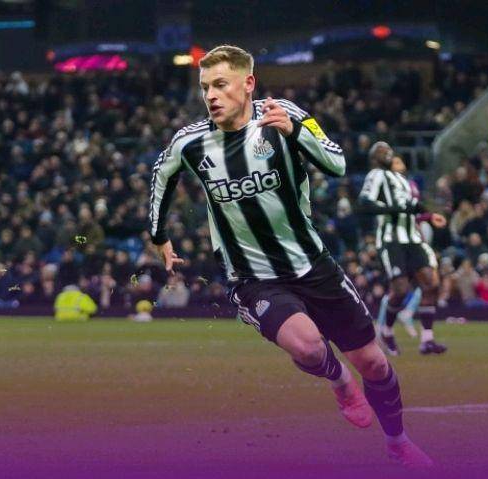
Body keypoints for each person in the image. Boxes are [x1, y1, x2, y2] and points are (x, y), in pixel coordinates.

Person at [148, 45, 432, 467]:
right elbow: (161, 175)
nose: (211, 95)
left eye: (221, 85)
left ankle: (398, 442)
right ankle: (339, 381)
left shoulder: (285, 115)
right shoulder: (190, 142)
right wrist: (159, 235)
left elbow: (337, 163)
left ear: (248, 83)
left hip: (312, 265)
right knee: (310, 348)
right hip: (253, 277)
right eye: (205, 87)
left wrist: (296, 132)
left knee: (374, 363)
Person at [358, 141, 448, 356]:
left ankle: (427, 340)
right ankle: (386, 331)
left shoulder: (405, 182)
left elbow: (411, 207)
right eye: (382, 151)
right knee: (400, 290)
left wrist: (429, 215)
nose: (388, 152)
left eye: (389, 150)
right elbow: (364, 202)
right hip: (392, 240)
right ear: (374, 158)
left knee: (431, 282)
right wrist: (394, 209)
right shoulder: (377, 175)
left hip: (414, 239)